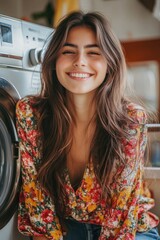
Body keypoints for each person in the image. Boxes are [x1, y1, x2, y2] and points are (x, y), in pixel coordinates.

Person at [16, 11, 160, 240]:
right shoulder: (31, 113)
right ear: (54, 60)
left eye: (93, 52)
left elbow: (120, 220)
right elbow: (38, 202)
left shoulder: (131, 119)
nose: (80, 61)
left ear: (110, 62)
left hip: (130, 231)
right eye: (68, 51)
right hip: (65, 230)